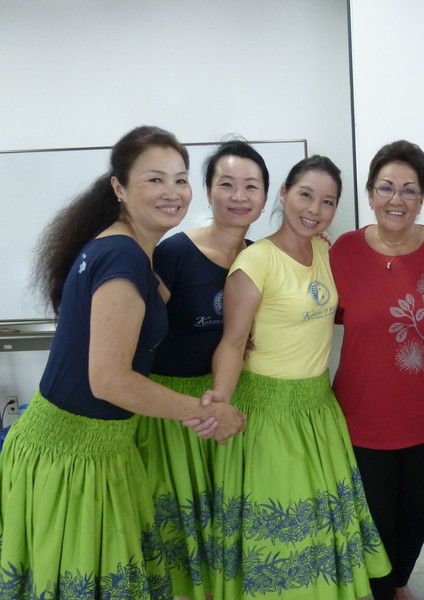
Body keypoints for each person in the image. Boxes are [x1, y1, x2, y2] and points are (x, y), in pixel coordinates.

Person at [0, 126, 246, 600]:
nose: (173, 192)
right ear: (119, 186)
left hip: (98, 448)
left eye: (180, 179)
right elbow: (110, 380)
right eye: (155, 179)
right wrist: (209, 412)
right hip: (72, 455)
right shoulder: (122, 257)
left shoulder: (127, 251)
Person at [208, 155, 390, 599]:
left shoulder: (327, 251)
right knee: (281, 526)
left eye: (328, 202)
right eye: (306, 195)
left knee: (319, 528)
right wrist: (221, 402)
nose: (315, 209)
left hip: (318, 412)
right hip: (267, 414)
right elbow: (232, 343)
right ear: (284, 194)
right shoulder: (255, 262)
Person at [135, 140, 269, 600]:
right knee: (180, 522)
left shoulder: (261, 255)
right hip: (176, 409)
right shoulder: (174, 253)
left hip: (232, 399)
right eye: (226, 184)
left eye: (251, 186)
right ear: (208, 192)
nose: (239, 196)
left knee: (224, 518)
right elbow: (140, 331)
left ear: (266, 196)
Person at [329, 140, 424, 600]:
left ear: (422, 198)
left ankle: (399, 582)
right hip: (362, 417)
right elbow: (307, 311)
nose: (396, 199)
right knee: (375, 522)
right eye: (386, 187)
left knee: (419, 515)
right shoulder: (341, 252)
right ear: (370, 194)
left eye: (409, 190)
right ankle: (387, 590)